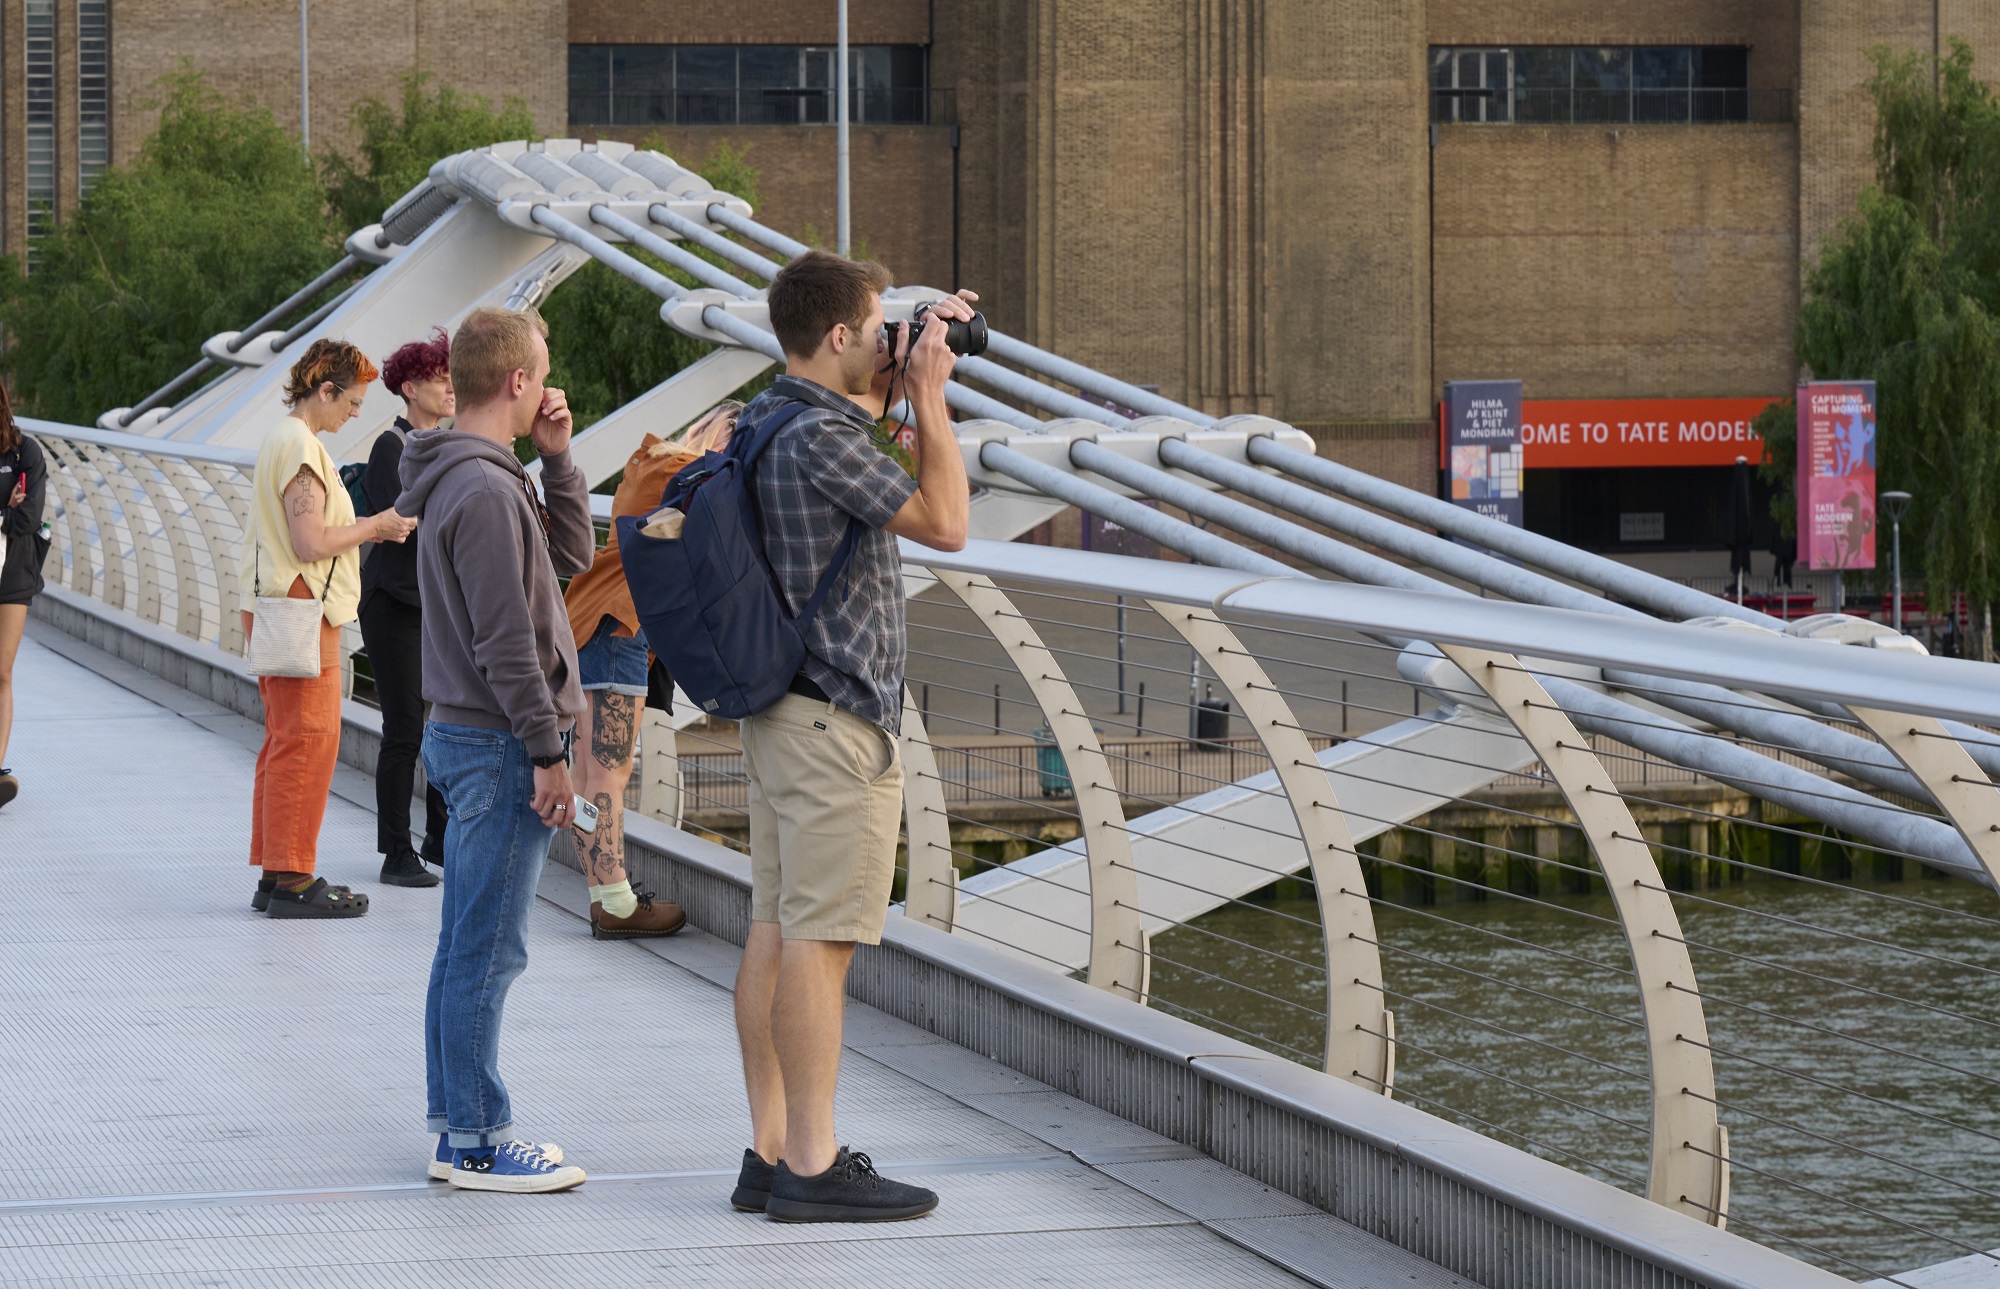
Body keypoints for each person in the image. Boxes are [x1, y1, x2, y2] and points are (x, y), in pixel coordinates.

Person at [729, 251, 973, 1223]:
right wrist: (931, 396)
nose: (885, 343)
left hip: (782, 709)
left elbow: (863, 442)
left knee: (774, 930)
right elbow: (947, 520)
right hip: (836, 720)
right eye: (875, 329)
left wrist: (906, 372)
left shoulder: (767, 419)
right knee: (820, 945)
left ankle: (768, 1149)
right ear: (836, 337)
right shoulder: (820, 441)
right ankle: (813, 1163)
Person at [398, 306, 594, 1193]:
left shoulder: (483, 475)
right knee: (488, 948)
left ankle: (456, 1127)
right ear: (515, 380)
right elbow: (507, 643)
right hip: (500, 744)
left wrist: (557, 458)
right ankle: (476, 1139)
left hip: (473, 734)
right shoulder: (479, 490)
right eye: (541, 372)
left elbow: (569, 556)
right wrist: (549, 752)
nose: (546, 386)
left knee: (465, 943)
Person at [241, 340, 418, 918]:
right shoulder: (300, 447)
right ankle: (294, 878)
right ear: (326, 390)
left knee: (284, 739)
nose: (357, 412)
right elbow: (310, 541)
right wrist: (375, 526)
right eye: (354, 400)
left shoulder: (285, 439)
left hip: (280, 603)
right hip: (301, 608)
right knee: (309, 740)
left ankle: (277, 871)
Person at [562, 402, 741, 940]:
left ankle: (604, 895)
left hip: (592, 619)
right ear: (724, 436)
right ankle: (616, 902)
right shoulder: (687, 478)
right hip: (621, 625)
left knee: (586, 771)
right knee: (609, 773)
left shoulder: (652, 464)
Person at [358, 329, 454, 889]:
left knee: (443, 724)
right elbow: (403, 525)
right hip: (393, 605)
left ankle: (439, 840)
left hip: (431, 607)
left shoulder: (442, 444)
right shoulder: (389, 448)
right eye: (440, 379)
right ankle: (396, 852)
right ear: (410, 388)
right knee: (404, 730)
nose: (450, 388)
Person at [0, 381, 50, 811]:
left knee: (2, 671)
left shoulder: (25, 454)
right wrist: (6, 510)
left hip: (14, 574)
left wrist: (14, 514)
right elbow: (14, 514)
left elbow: (29, 518)